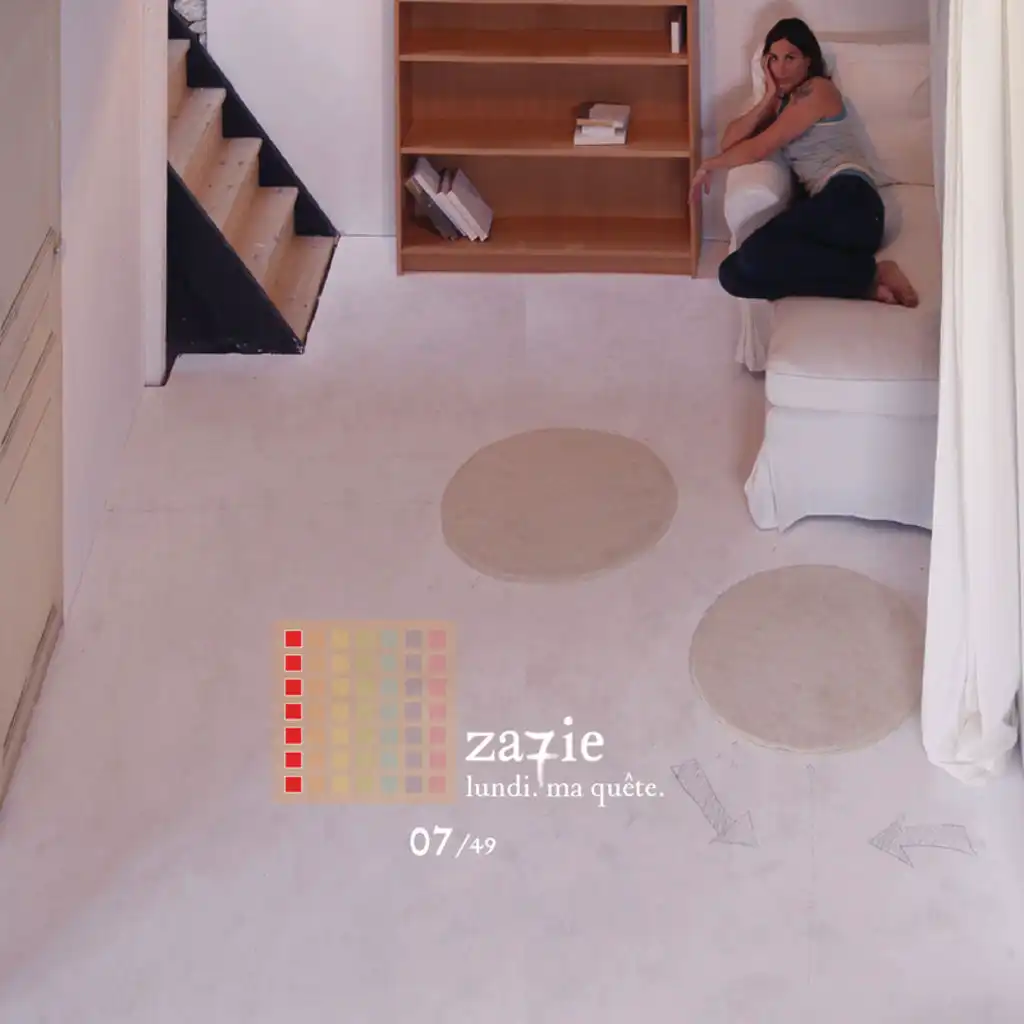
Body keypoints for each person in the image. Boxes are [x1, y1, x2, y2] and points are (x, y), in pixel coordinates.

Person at [693, 18, 918, 307]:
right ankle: (864, 280)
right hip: (831, 218)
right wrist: (768, 97)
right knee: (732, 274)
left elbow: (760, 147)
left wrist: (708, 164)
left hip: (853, 200)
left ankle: (874, 274)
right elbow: (730, 141)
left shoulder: (817, 90)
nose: (780, 68)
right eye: (773, 58)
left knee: (754, 255)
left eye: (790, 58)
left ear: (808, 60)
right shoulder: (782, 105)